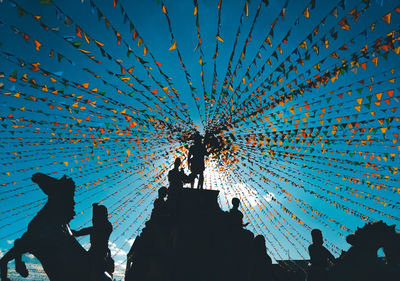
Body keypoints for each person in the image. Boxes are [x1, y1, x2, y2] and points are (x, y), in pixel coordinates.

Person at [72, 203, 114, 281]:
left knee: (93, 270)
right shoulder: (103, 224)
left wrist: (77, 233)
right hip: (94, 250)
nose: (95, 218)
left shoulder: (106, 226)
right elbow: (94, 223)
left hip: (100, 253)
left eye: (98, 215)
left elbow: (93, 227)